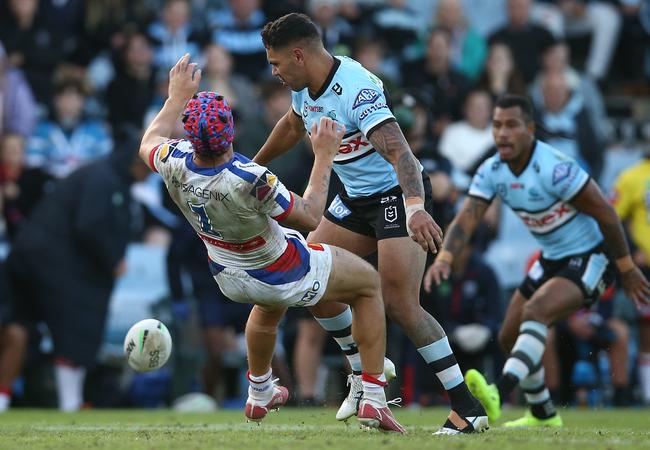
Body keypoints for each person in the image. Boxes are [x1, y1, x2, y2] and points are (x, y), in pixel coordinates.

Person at [138, 53, 406, 433]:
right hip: (280, 269)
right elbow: (311, 215)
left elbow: (149, 139)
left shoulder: (173, 159)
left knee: (267, 308)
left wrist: (175, 98)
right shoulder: (250, 178)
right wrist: (324, 154)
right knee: (367, 286)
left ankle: (260, 388)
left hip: (228, 272)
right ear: (230, 132)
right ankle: (374, 396)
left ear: (189, 135)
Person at [254, 13, 488, 434]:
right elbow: (292, 126)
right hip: (354, 200)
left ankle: (466, 407)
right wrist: (255, 167)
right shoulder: (305, 89)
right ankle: (364, 374)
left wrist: (416, 206)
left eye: (276, 63)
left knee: (400, 303)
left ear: (299, 55)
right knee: (310, 282)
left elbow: (401, 153)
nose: (274, 72)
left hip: (397, 196)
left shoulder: (356, 90)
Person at [425, 94, 650, 427]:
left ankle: (497, 392)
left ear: (530, 129)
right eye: (497, 125)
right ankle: (543, 413)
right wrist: (445, 256)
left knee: (536, 312)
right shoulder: (493, 170)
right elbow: (468, 216)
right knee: (508, 334)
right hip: (552, 257)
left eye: (512, 125)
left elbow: (606, 213)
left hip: (590, 257)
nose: (502, 133)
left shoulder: (556, 168)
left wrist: (627, 268)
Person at [3, 127, 150, 412]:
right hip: (51, 262)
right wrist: (112, 260)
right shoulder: (104, 180)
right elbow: (90, 226)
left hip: (34, 257)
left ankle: (12, 397)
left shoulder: (105, 177)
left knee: (20, 327)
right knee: (77, 324)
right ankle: (68, 403)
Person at [611, 149, 650, 404]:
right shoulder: (631, 177)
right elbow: (611, 217)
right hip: (645, 268)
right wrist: (633, 251)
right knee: (648, 330)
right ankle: (647, 393)